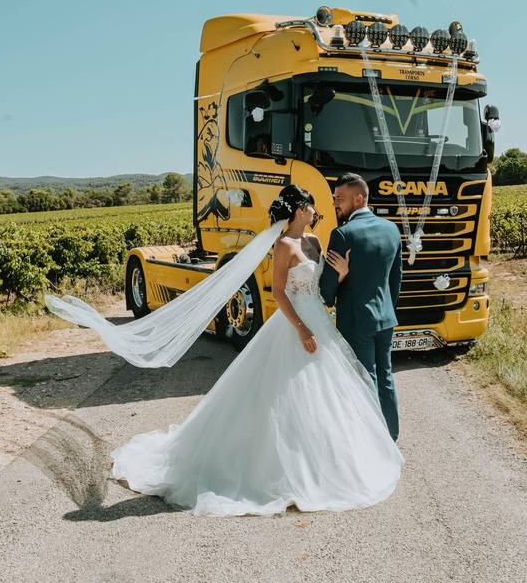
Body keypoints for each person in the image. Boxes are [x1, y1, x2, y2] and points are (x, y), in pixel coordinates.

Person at [44, 184, 403, 516]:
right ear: (297, 209)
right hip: (298, 324)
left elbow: (322, 286)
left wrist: (339, 278)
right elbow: (279, 294)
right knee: (285, 396)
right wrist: (302, 328)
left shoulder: (314, 240)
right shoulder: (283, 246)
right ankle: (279, 470)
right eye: (310, 205)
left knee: (329, 395)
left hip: (320, 322)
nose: (316, 210)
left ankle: (332, 462)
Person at [319, 173, 403, 440]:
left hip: (356, 320)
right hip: (385, 318)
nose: (335, 204)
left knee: (365, 379)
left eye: (339, 198)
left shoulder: (342, 234)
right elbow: (395, 280)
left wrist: (338, 282)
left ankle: (372, 442)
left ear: (359, 198)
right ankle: (391, 436)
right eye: (334, 198)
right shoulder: (392, 229)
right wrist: (387, 309)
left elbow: (327, 290)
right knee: (386, 378)